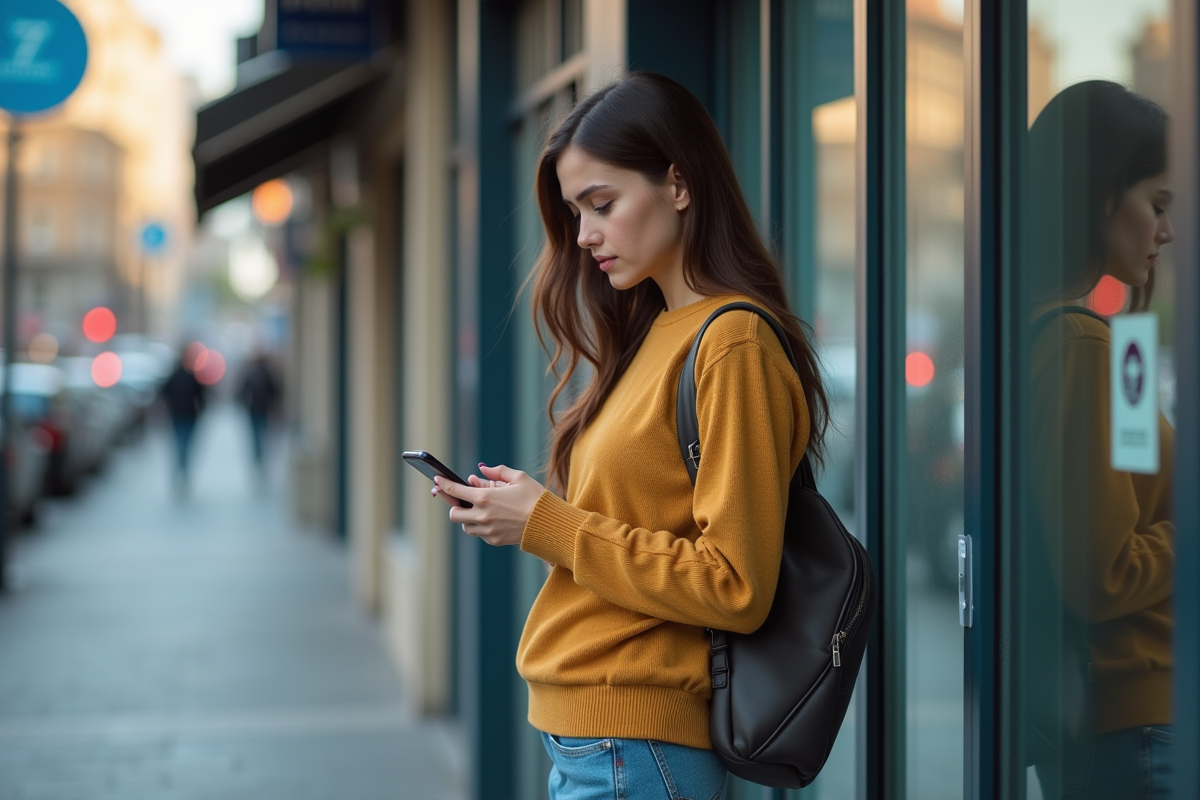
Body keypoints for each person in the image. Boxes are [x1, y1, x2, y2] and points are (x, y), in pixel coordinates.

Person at [430, 72, 830, 799]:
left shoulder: (731, 342)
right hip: (596, 743)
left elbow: (736, 584)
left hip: (636, 748)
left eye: (601, 205)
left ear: (678, 185)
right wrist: (522, 513)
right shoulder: (652, 333)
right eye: (577, 212)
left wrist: (546, 523)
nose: (584, 236)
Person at [1025, 80, 1176, 799]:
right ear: (1103, 195)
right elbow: (1101, 573)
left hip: (1122, 722)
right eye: (1158, 205)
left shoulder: (1097, 345)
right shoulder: (1087, 348)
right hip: (1136, 723)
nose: (1166, 232)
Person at [161, 347, 208, 495]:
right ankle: (183, 469)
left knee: (180, 443)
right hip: (187, 415)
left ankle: (180, 469)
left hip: (180, 415)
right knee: (185, 444)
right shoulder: (190, 376)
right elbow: (201, 397)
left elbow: (163, 393)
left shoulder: (175, 376)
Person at [237, 349, 280, 482]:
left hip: (255, 410)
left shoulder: (251, 374)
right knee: (261, 435)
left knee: (256, 436)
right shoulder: (266, 374)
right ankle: (260, 460)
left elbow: (242, 392)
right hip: (262, 410)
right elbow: (274, 392)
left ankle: (258, 459)